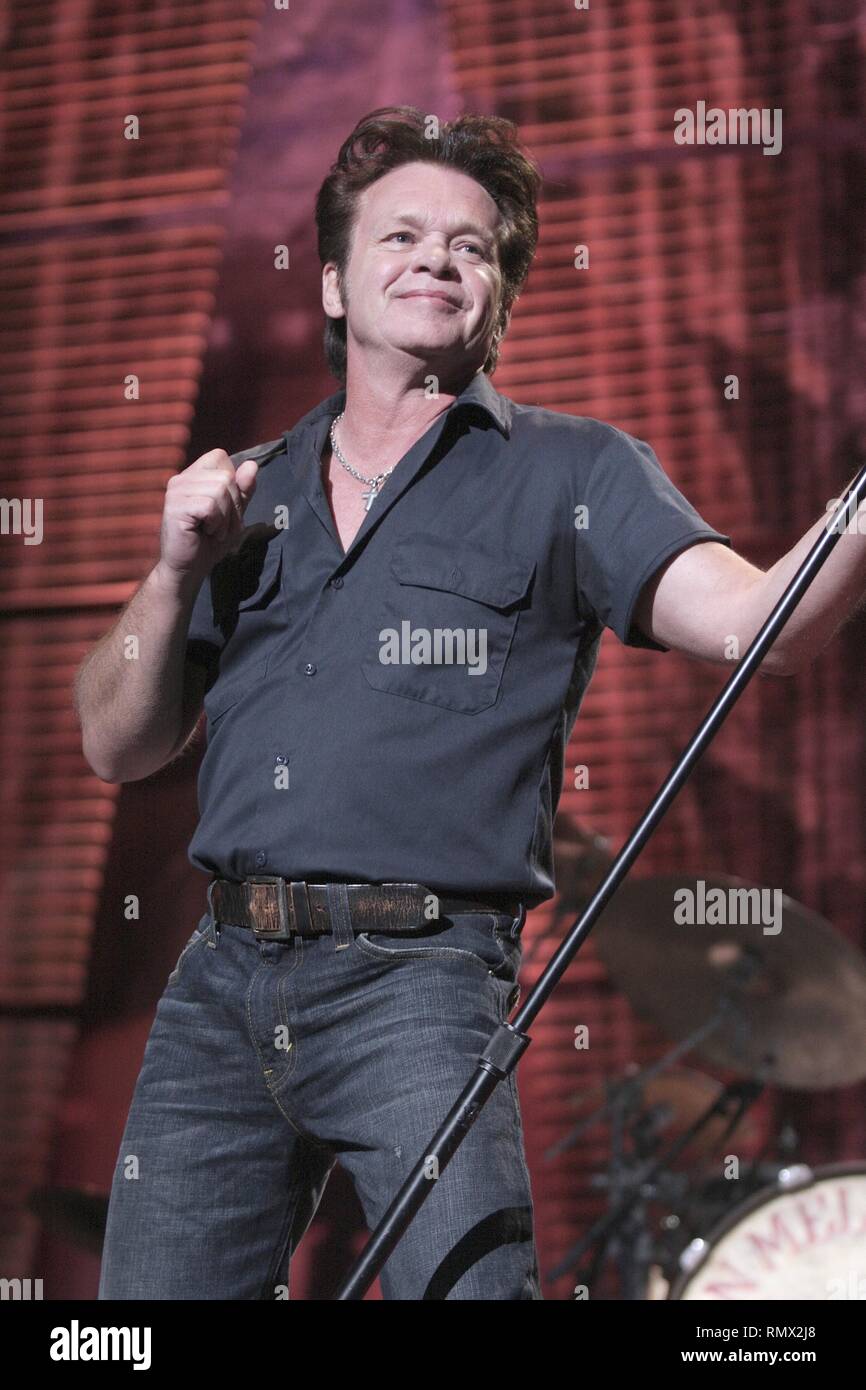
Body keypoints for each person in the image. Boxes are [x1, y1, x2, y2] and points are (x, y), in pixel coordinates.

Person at [75, 106, 866, 1300]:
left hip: (420, 981)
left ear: (496, 293)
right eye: (400, 236)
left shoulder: (574, 472)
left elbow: (764, 626)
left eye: (471, 245)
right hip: (221, 981)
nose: (436, 258)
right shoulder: (249, 493)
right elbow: (112, 742)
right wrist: (173, 566)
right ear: (335, 285)